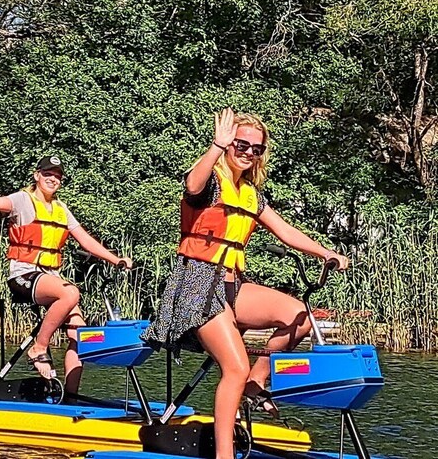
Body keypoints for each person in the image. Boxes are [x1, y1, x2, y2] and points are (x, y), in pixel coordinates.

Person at [142, 108, 349, 459]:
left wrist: (325, 252)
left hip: (231, 285)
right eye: (241, 144)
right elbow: (192, 184)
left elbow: (285, 232)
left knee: (298, 314)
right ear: (229, 144)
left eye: (255, 148)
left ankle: (257, 381)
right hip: (195, 287)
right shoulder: (210, 182)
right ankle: (226, 453)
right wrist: (215, 145)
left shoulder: (252, 194)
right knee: (233, 367)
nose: (248, 152)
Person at [0, 153, 132, 395]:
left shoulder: (60, 209)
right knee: (70, 294)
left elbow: (86, 240)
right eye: (48, 174)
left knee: (80, 332)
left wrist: (115, 259)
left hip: (50, 278)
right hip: (24, 276)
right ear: (37, 176)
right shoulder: (23, 200)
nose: (52, 179)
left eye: (57, 177)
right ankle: (39, 347)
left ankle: (71, 397)